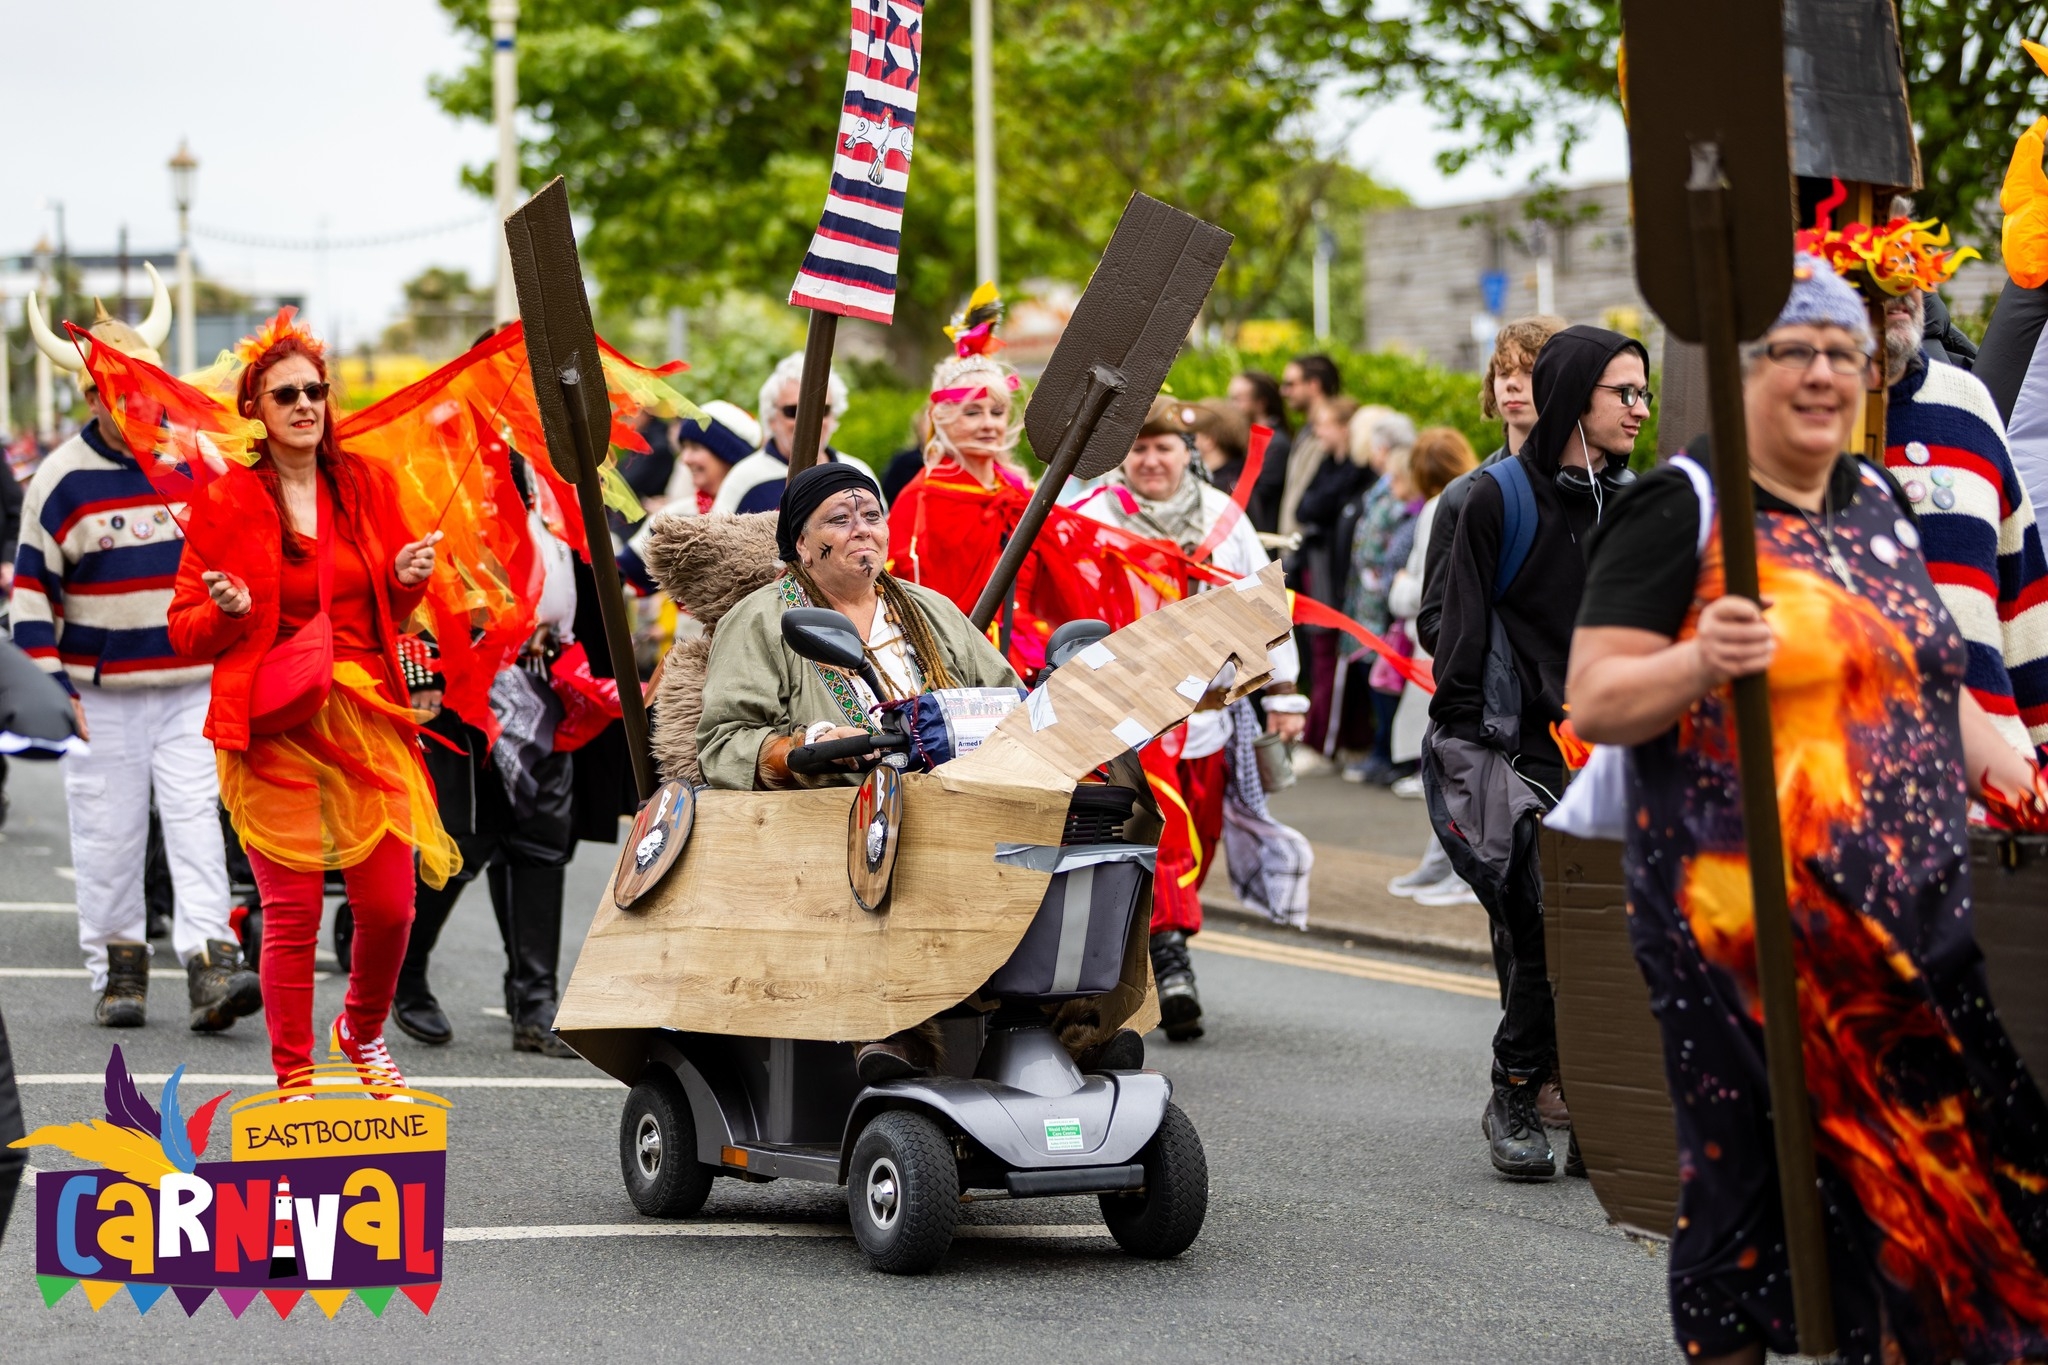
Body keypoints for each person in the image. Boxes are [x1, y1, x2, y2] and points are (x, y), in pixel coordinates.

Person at [1567, 253, 2048, 1365]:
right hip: (1737, 923)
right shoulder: (1677, 508)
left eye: (1842, 350)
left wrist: (2019, 772)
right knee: (1741, 1190)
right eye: (1796, 351)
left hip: (1908, 914)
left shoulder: (1876, 500)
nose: (1825, 373)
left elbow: (1931, 683)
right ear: (1744, 371)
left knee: (1974, 1168)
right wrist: (1697, 660)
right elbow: (1594, 698)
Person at [168, 310, 458, 1094]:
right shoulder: (228, 501)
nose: (304, 404)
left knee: (392, 905)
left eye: (315, 391)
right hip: (270, 716)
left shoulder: (365, 485)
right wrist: (226, 610)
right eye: (285, 393)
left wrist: (406, 577)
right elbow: (184, 632)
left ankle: (360, 1030)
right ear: (255, 411)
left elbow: (390, 613)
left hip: (366, 713)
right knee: (290, 911)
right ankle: (293, 1074)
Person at [695, 463, 1035, 1080]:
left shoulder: (929, 612)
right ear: (801, 542)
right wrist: (810, 745)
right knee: (888, 866)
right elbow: (723, 744)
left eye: (872, 517)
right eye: (839, 520)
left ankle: (1061, 1029)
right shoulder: (762, 618)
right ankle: (893, 1037)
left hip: (957, 810)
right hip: (834, 822)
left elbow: (1012, 703)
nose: (862, 532)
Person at [1428, 323, 1645, 1180]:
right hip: (1509, 752)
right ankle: (1516, 1092)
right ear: (1576, 397)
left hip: (1613, 754)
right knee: (1554, 920)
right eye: (1623, 392)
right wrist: (1474, 757)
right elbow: (1455, 637)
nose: (1639, 407)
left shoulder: (1636, 506)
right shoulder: (1492, 498)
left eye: (1644, 392)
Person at [16, 275, 259, 1033]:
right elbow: (31, 599)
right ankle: (118, 968)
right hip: (101, 695)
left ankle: (211, 962)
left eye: (144, 388)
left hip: (189, 683)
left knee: (194, 819)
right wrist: (55, 693)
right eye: (115, 391)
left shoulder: (195, 465)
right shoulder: (58, 481)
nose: (134, 406)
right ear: (92, 397)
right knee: (106, 830)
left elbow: (239, 555)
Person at [1078, 396, 1308, 1041]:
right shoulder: (1091, 516)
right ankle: (1172, 957)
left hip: (1210, 711)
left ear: (1189, 454)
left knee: (1195, 844)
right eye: (1139, 448)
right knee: (1164, 835)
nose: (1151, 460)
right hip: (1129, 712)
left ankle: (1157, 942)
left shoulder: (1220, 516)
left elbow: (1261, 602)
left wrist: (1284, 693)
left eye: (1163, 448)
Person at [1878, 280, 2048, 764]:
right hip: (1856, 780)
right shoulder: (1792, 422)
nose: (1900, 277)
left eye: (1910, 256)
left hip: (1998, 785)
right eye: (1881, 252)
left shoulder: (1968, 402)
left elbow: (2026, 607)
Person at [884, 287, 1051, 669]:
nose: (989, 424)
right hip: (958, 660)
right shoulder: (922, 496)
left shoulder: (1016, 489)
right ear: (941, 418)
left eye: (995, 411)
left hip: (1030, 652)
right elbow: (907, 595)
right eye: (972, 412)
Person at [1416, 315, 1566, 656]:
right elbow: (1432, 621)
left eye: (1529, 371)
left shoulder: (1592, 487)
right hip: (1498, 704)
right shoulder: (1462, 495)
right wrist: (1498, 670)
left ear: (1564, 379)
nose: (1512, 384)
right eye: (1503, 372)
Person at [1339, 409, 1420, 783]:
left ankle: (1388, 755)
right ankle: (1382, 752)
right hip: (1370, 598)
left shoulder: (1400, 487)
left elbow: (1388, 542)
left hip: (1385, 602)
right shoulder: (1383, 484)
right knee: (1375, 674)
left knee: (1384, 675)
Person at [1292, 397, 1372, 754]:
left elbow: (1319, 508)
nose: (1317, 431)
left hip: (1340, 576)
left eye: (1324, 423)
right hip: (1321, 567)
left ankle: (1325, 740)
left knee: (1332, 656)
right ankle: (1331, 736)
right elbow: (1304, 507)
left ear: (1345, 428)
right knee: (1321, 653)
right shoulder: (1329, 463)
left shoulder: (1358, 471)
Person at [618, 401, 762, 594]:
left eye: (695, 447)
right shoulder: (676, 518)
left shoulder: (761, 514)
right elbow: (622, 575)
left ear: (728, 454)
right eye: (684, 448)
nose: (685, 459)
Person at [711, 352, 880, 515]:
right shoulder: (743, 479)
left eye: (822, 410)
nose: (810, 421)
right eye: (794, 411)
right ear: (771, 418)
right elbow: (716, 541)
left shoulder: (859, 472)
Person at [1276, 354, 1341, 538]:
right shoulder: (1306, 431)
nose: (1283, 392)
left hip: (1311, 551)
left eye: (1290, 384)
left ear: (1314, 385)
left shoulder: (1333, 434)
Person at [1224, 371, 1292, 531]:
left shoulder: (1273, 442)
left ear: (1261, 403)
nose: (1231, 406)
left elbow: (1259, 494)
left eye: (1238, 399)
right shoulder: (1249, 437)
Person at [1186, 398, 1251, 497]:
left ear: (1208, 440)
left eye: (1192, 434)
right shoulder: (1238, 482)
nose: (1187, 441)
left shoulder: (1217, 491)